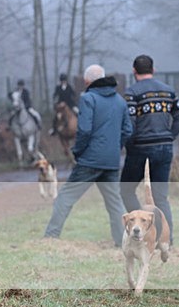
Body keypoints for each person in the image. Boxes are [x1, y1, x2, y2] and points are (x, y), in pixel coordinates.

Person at [44, 64, 133, 246]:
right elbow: (128, 130)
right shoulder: (120, 100)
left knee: (65, 197)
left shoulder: (88, 98)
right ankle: (124, 241)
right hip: (111, 161)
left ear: (87, 82)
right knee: (115, 204)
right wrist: (115, 148)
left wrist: (77, 151)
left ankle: (51, 238)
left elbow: (84, 130)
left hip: (89, 161)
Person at [120, 54, 179, 246]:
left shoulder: (131, 93)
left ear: (134, 71)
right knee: (160, 196)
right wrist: (169, 136)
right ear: (153, 70)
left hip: (140, 149)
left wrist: (130, 144)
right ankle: (167, 239)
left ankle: (139, 227)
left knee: (126, 189)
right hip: (165, 149)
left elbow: (130, 124)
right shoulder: (169, 91)